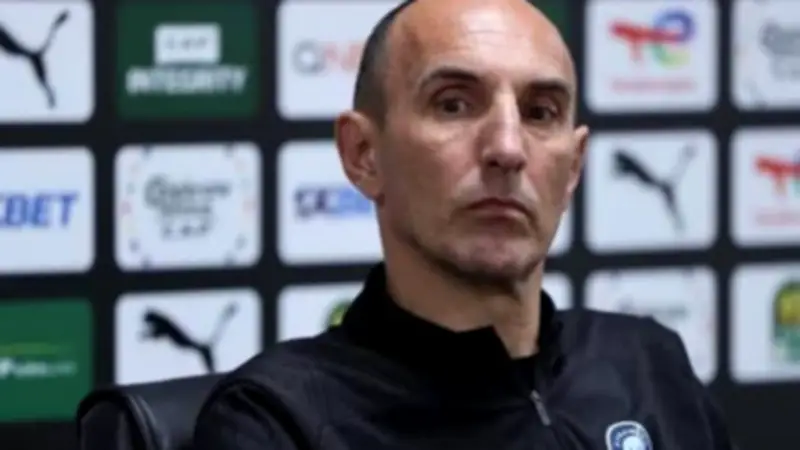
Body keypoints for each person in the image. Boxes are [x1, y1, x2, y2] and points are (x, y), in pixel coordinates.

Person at [194, 0, 736, 448]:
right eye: (453, 105)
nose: (507, 148)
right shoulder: (280, 420)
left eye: (540, 112)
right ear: (363, 154)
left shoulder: (647, 364)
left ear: (573, 167)